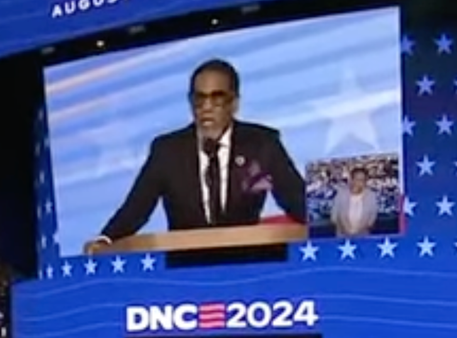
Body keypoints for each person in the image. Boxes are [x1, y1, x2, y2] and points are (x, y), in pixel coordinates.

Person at [85, 59, 307, 255]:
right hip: (182, 269)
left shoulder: (261, 144)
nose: (206, 107)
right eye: (199, 99)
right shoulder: (167, 151)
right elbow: (136, 209)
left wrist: (332, 224)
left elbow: (296, 199)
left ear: (234, 103)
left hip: (246, 263)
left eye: (217, 98)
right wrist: (106, 239)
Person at [329, 167, 379, 237]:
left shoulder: (371, 196)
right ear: (351, 180)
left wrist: (358, 232)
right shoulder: (341, 194)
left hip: (362, 237)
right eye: (357, 179)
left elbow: (371, 220)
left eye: (362, 180)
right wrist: (345, 231)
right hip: (342, 238)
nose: (359, 182)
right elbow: (334, 218)